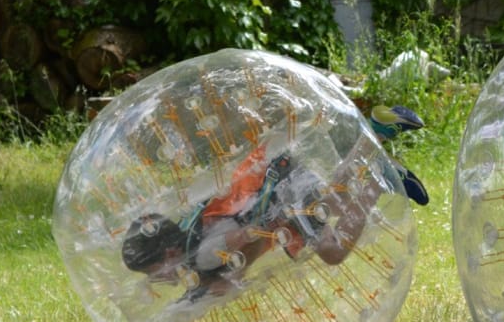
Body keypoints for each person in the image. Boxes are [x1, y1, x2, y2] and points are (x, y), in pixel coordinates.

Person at [122, 106, 428, 300]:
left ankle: (381, 180)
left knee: (333, 250)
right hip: (275, 179)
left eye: (153, 271)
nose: (157, 280)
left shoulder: (200, 255)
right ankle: (377, 132)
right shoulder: (192, 240)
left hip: (280, 195)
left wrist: (230, 277)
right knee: (335, 201)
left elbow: (244, 237)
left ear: (169, 252)